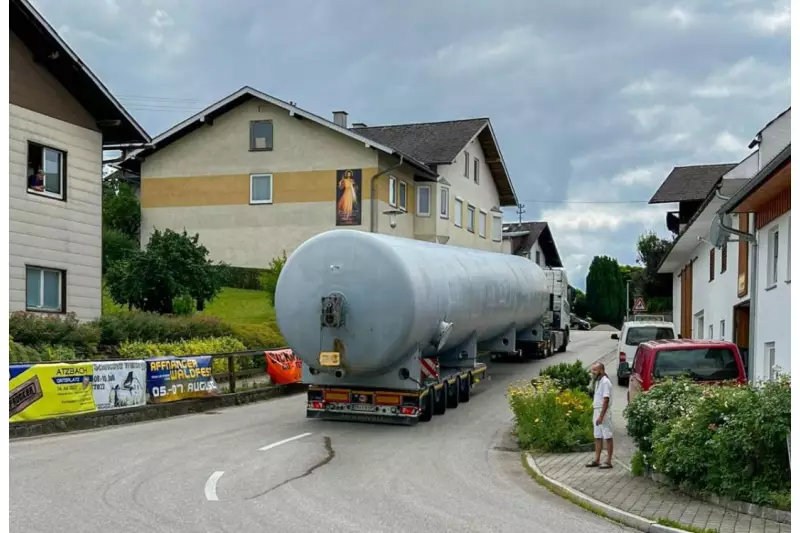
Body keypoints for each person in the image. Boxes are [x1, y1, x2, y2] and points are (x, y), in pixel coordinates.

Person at [586, 362, 613, 469]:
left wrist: (601, 416)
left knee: (607, 436)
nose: (592, 372)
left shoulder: (605, 382)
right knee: (597, 436)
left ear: (601, 371)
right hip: (596, 410)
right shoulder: (598, 381)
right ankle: (597, 459)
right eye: (592, 370)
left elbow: (606, 400)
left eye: (595, 370)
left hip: (603, 412)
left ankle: (608, 461)